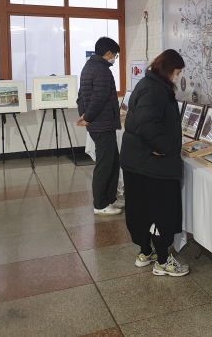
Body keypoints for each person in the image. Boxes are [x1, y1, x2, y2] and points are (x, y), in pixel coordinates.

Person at [120, 49, 189, 276]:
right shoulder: (155, 89)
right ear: (169, 69)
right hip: (151, 166)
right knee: (160, 211)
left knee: (141, 210)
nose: (178, 76)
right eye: (177, 71)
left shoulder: (148, 83)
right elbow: (146, 123)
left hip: (137, 162)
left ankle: (145, 252)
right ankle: (163, 262)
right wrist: (163, 147)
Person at [77, 37, 123, 216]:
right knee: (105, 165)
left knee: (113, 161)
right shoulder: (102, 70)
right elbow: (99, 98)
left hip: (99, 123)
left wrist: (84, 116)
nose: (114, 59)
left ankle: (110, 198)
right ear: (108, 52)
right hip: (102, 124)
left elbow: (81, 96)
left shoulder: (89, 66)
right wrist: (87, 117)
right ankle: (100, 204)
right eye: (115, 55)